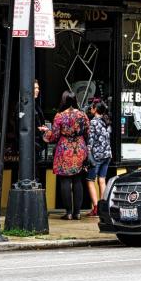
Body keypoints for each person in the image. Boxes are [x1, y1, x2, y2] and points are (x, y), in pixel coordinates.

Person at [39, 90, 89, 220]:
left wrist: (46, 132)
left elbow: (54, 136)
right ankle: (77, 213)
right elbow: (88, 132)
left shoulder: (59, 116)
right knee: (78, 180)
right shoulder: (82, 115)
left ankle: (68, 213)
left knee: (65, 181)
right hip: (79, 149)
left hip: (64, 150)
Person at [84, 102, 112, 217]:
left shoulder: (93, 122)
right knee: (102, 180)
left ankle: (95, 207)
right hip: (107, 154)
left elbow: (90, 141)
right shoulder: (106, 121)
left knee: (90, 180)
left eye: (92, 107)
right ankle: (103, 207)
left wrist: (88, 155)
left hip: (97, 156)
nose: (90, 108)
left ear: (95, 110)